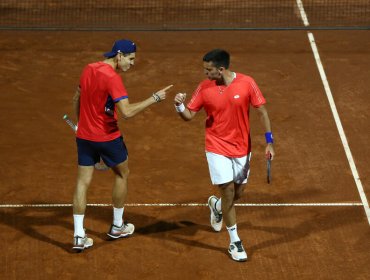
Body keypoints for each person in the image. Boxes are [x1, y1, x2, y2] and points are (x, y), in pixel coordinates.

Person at [173, 49, 275, 262]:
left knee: (237, 194)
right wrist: (179, 105)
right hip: (216, 146)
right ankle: (235, 241)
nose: (205, 73)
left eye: (209, 70)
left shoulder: (247, 83)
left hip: (242, 148)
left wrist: (269, 142)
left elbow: (262, 112)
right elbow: (189, 115)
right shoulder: (204, 87)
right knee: (228, 191)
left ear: (221, 69)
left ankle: (216, 206)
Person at [72, 39, 173, 251]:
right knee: (122, 174)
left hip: (84, 137)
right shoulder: (112, 78)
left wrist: (81, 123)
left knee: (82, 182)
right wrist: (154, 98)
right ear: (119, 55)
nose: (132, 63)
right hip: (108, 138)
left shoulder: (88, 68)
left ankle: (79, 235)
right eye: (131, 58)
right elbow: (126, 112)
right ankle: (117, 225)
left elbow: (77, 98)